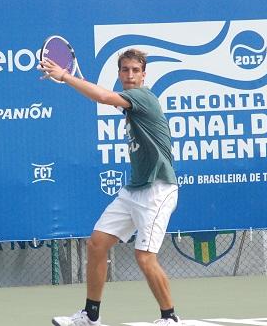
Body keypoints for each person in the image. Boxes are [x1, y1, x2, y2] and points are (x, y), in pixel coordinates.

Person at [39, 49, 180, 326]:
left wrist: (65, 76)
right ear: (119, 73)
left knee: (144, 257)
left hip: (157, 190)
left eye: (135, 71)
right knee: (97, 244)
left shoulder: (144, 97)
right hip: (134, 190)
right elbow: (106, 97)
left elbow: (103, 96)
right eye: (125, 70)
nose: (130, 75)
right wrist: (77, 82)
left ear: (143, 75)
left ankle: (169, 317)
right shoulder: (128, 103)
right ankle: (91, 315)